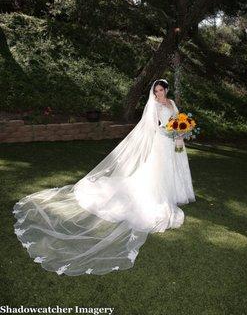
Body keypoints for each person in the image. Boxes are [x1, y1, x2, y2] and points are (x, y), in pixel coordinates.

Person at [13, 79, 196, 276]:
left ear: (166, 90)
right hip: (161, 142)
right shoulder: (154, 106)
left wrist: (179, 132)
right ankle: (161, 194)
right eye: (156, 91)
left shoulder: (172, 104)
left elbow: (177, 119)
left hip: (174, 142)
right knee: (161, 172)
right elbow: (151, 128)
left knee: (176, 167)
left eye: (161, 90)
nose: (158, 94)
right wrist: (166, 132)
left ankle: (176, 192)